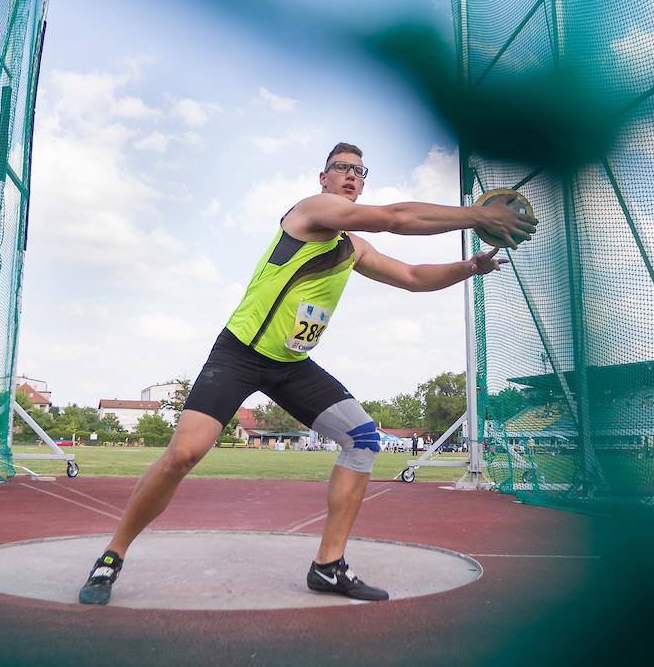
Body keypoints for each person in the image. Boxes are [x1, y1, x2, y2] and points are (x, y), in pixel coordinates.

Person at [77, 142, 534, 606]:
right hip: (240, 353)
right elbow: (396, 216)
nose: (351, 176)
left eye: (360, 170)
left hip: (291, 366)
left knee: (363, 437)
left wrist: (470, 267)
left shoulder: (353, 247)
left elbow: (413, 276)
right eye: (342, 168)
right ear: (323, 178)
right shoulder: (311, 212)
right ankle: (111, 556)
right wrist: (474, 216)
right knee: (183, 454)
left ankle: (328, 566)